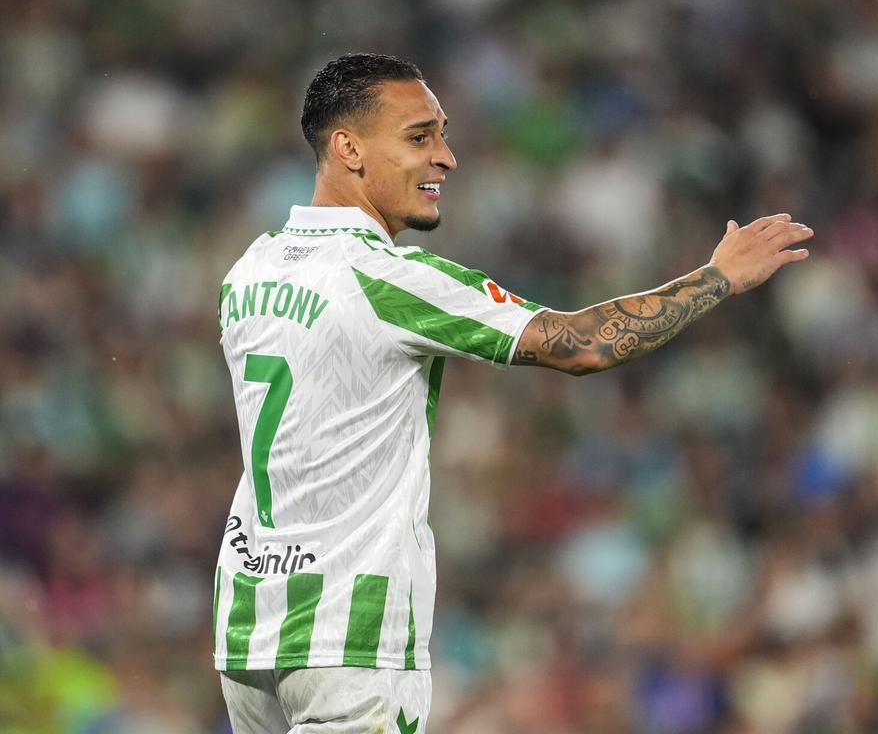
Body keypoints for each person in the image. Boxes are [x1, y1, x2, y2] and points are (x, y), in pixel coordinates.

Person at [212, 52, 813, 733]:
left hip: (247, 623)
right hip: (348, 633)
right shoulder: (387, 279)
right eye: (419, 137)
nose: (446, 158)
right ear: (349, 148)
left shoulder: (250, 270)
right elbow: (582, 344)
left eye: (442, 134)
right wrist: (718, 277)